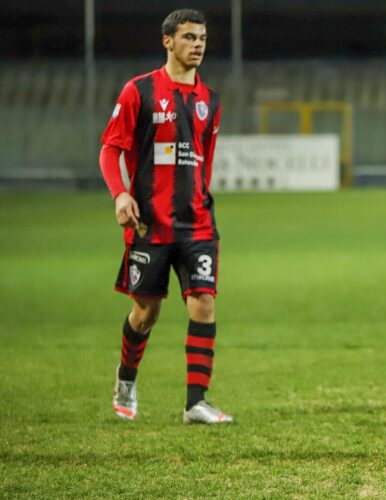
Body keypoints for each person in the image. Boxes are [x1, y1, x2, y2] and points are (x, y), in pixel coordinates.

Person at [99, 9, 232, 424]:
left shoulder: (210, 101)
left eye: (203, 39)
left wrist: (201, 201)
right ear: (168, 42)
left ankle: (196, 402)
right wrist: (120, 195)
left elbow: (204, 164)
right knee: (146, 313)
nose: (198, 45)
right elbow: (110, 149)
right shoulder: (139, 91)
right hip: (149, 225)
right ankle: (126, 379)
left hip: (197, 224)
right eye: (189, 37)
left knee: (203, 304)